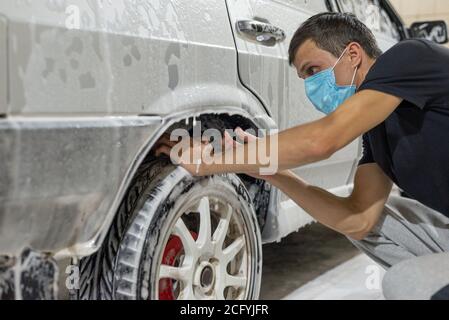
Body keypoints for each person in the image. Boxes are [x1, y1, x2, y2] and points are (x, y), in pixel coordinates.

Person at [156, 12, 449, 300]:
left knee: (406, 281)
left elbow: (322, 140)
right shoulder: (376, 137)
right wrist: (272, 172)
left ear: (353, 54)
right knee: (381, 222)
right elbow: (358, 220)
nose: (310, 86)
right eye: (303, 77)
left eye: (313, 70)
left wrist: (208, 161)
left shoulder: (409, 56)